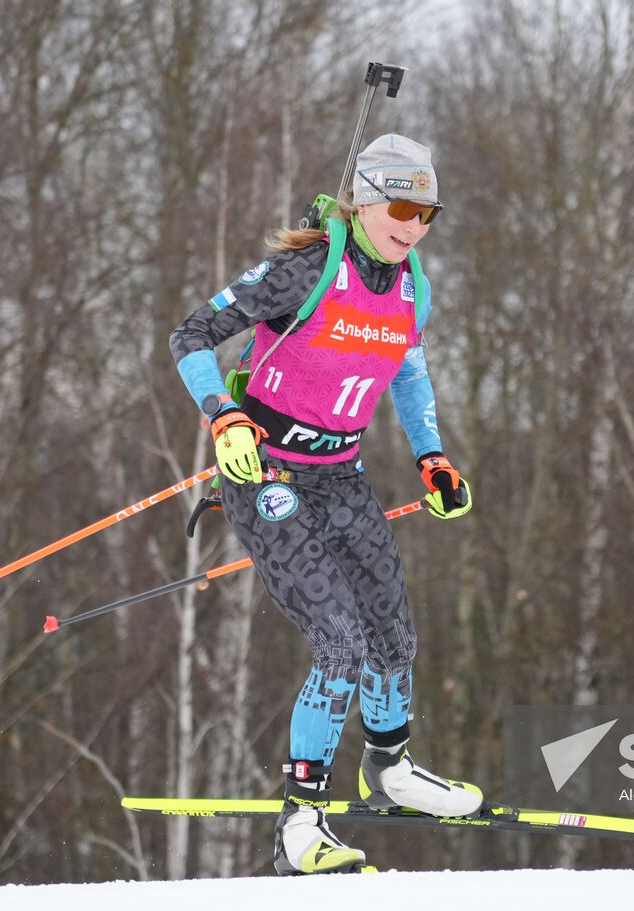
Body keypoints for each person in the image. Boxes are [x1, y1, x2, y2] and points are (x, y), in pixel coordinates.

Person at [169, 134, 479, 876]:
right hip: (266, 471)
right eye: (402, 207)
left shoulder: (413, 289)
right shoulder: (305, 270)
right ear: (366, 200)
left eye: (428, 211)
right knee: (338, 639)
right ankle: (298, 823)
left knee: (392, 636)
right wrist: (224, 414)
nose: (415, 225)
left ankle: (391, 769)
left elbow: (407, 369)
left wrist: (431, 455)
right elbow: (191, 334)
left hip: (340, 474)